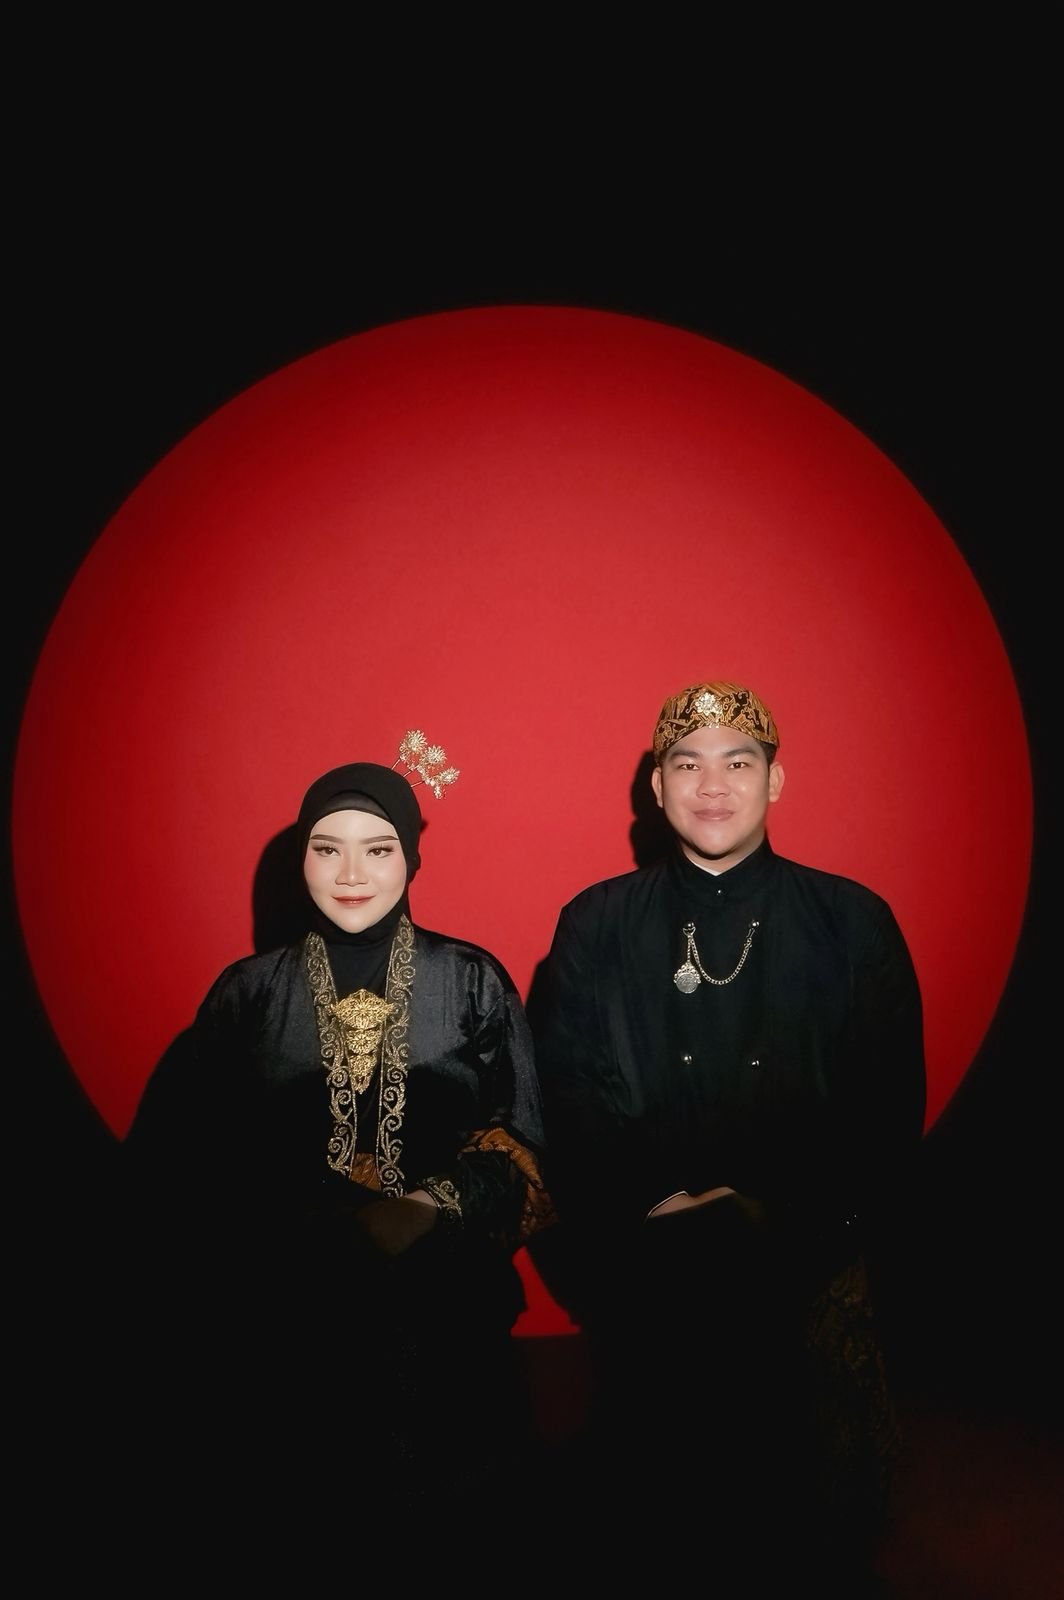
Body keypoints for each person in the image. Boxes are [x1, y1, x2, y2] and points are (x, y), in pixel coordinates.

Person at [529, 681, 926, 1588]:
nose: (713, 786)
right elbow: (567, 1094)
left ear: (775, 782)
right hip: (649, 1270)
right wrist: (664, 1203)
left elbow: (886, 1110)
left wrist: (782, 1214)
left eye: (738, 763)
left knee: (802, 1540)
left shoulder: (851, 920)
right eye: (688, 765)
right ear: (657, 788)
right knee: (653, 1532)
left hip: (805, 1272)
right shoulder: (596, 922)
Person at [119, 748, 554, 1563]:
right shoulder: (249, 993)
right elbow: (180, 1171)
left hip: (447, 1335)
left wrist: (422, 1208)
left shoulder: (471, 983)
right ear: (303, 860)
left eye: (378, 849)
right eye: (328, 848)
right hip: (286, 1342)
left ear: (411, 858)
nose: (352, 873)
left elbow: (524, 1154)